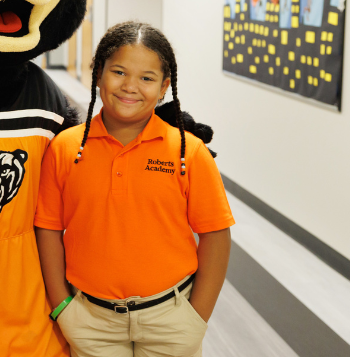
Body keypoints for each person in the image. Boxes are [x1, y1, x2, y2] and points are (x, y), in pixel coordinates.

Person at [34, 21, 235, 357]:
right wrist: (62, 307)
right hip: (91, 321)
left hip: (170, 319)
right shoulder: (66, 149)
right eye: (119, 72)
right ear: (98, 73)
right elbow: (48, 228)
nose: (130, 87)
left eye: (146, 78)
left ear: (164, 86)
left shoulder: (188, 152)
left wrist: (197, 317)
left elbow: (216, 234)